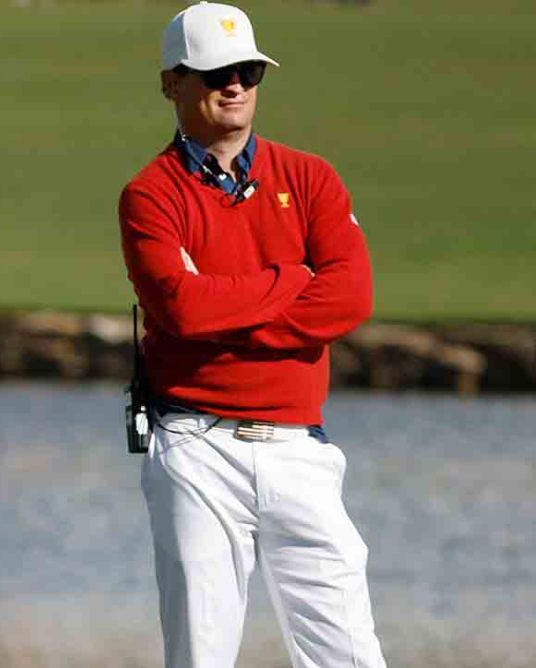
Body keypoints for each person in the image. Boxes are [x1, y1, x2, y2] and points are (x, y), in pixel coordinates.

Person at [117, 3, 387, 667]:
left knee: (350, 653)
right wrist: (295, 279)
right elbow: (182, 311)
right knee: (201, 655)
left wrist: (225, 311)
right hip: (194, 444)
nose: (235, 84)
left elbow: (350, 297)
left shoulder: (312, 178)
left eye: (247, 70)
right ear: (171, 83)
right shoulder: (151, 195)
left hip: (300, 447)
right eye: (215, 72)